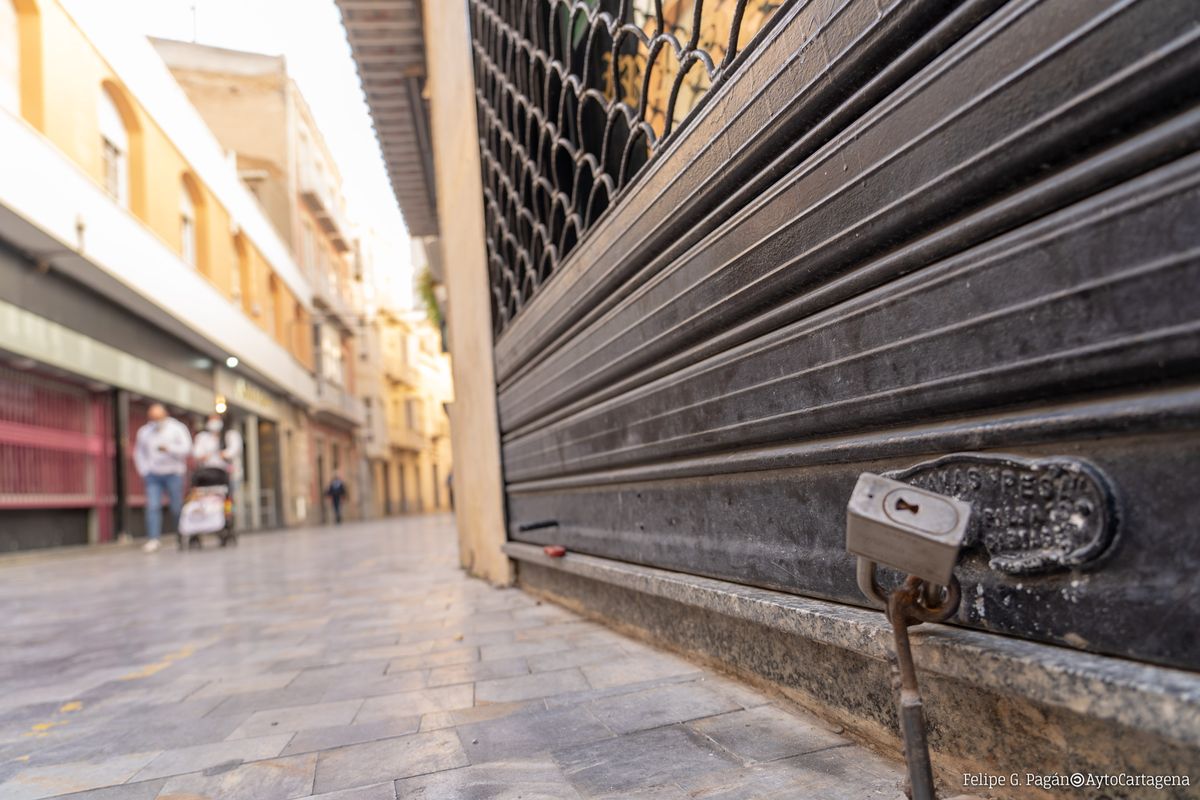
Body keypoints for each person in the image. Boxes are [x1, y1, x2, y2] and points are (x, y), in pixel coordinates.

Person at [133, 403, 192, 552]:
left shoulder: (177, 428)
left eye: (158, 417)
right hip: (153, 475)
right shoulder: (144, 431)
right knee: (152, 507)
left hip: (174, 473)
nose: (156, 421)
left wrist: (170, 449)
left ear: (165, 415)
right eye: (153, 418)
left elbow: (187, 448)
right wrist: (144, 471)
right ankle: (153, 539)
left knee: (176, 507)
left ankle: (181, 535)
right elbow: (139, 453)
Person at [192, 413, 243, 524]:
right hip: (207, 476)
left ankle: (228, 519)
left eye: (216, 419)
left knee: (228, 498)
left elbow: (231, 452)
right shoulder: (202, 437)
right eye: (211, 420)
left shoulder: (230, 435)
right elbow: (197, 454)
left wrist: (216, 454)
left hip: (226, 475)